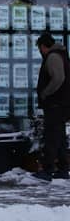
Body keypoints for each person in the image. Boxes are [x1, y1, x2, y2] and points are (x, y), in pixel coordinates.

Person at [33, 33, 70, 181]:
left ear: (43, 46)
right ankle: (62, 168)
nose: (40, 52)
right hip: (61, 103)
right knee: (59, 137)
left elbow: (58, 78)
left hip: (56, 104)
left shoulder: (53, 57)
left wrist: (45, 93)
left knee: (51, 137)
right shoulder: (61, 55)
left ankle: (47, 170)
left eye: (40, 48)